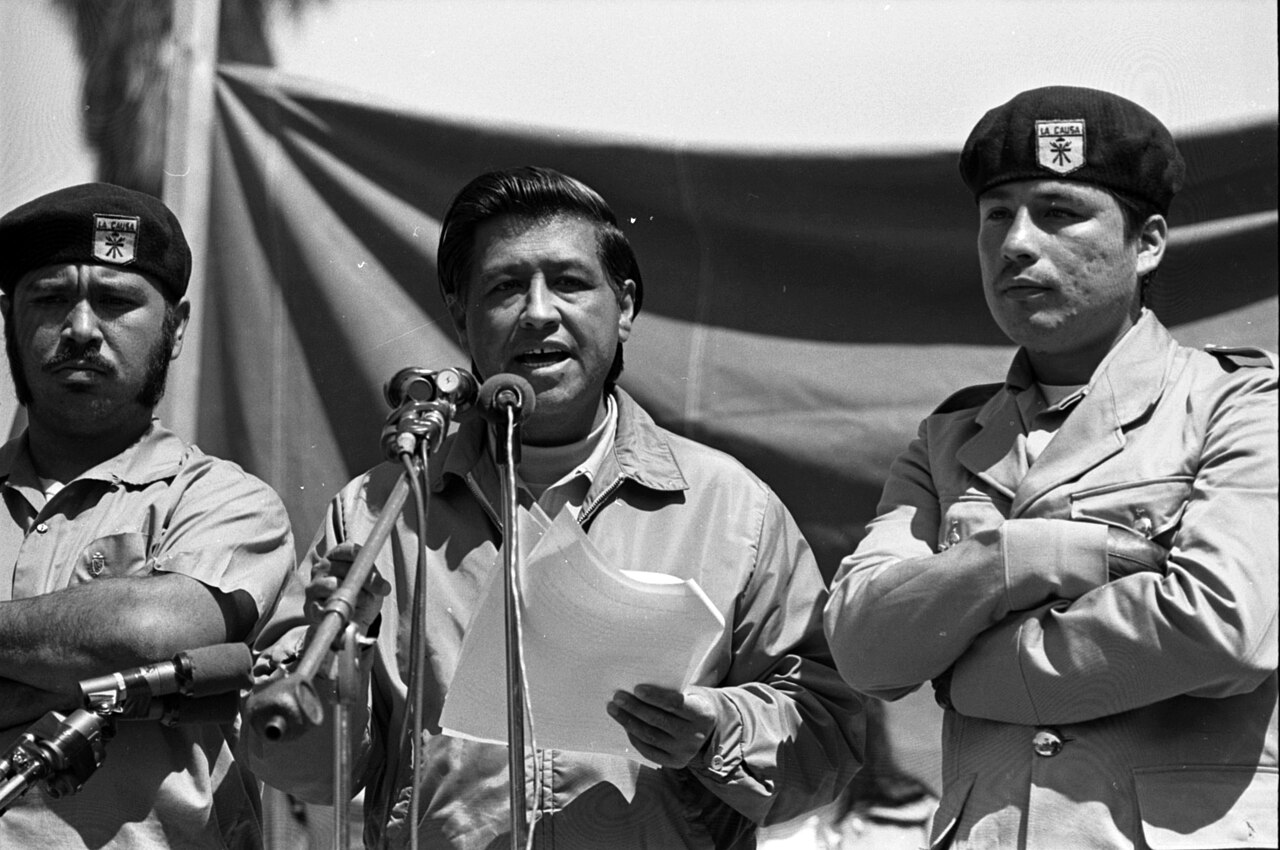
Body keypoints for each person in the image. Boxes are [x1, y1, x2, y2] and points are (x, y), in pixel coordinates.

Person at [245, 165, 863, 848]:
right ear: (461, 313)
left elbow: (828, 739)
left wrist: (716, 729)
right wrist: (347, 660)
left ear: (624, 306)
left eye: (569, 282)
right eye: (506, 287)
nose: (539, 311)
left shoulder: (730, 508)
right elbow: (293, 766)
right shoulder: (378, 513)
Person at [824, 85, 1278, 849]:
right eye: (997, 215)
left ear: (1150, 242)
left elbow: (1222, 626)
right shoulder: (949, 439)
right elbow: (865, 645)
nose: (1017, 243)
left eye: (1060, 213)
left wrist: (976, 673)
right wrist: (1024, 555)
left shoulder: (1241, 404)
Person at [0, 183, 296, 848]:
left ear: (177, 326)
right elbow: (120, 651)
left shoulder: (223, 501)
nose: (80, 329)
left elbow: (150, 633)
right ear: (6, 318)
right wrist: (89, 671)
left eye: (114, 301)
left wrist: (118, 647)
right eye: (49, 298)